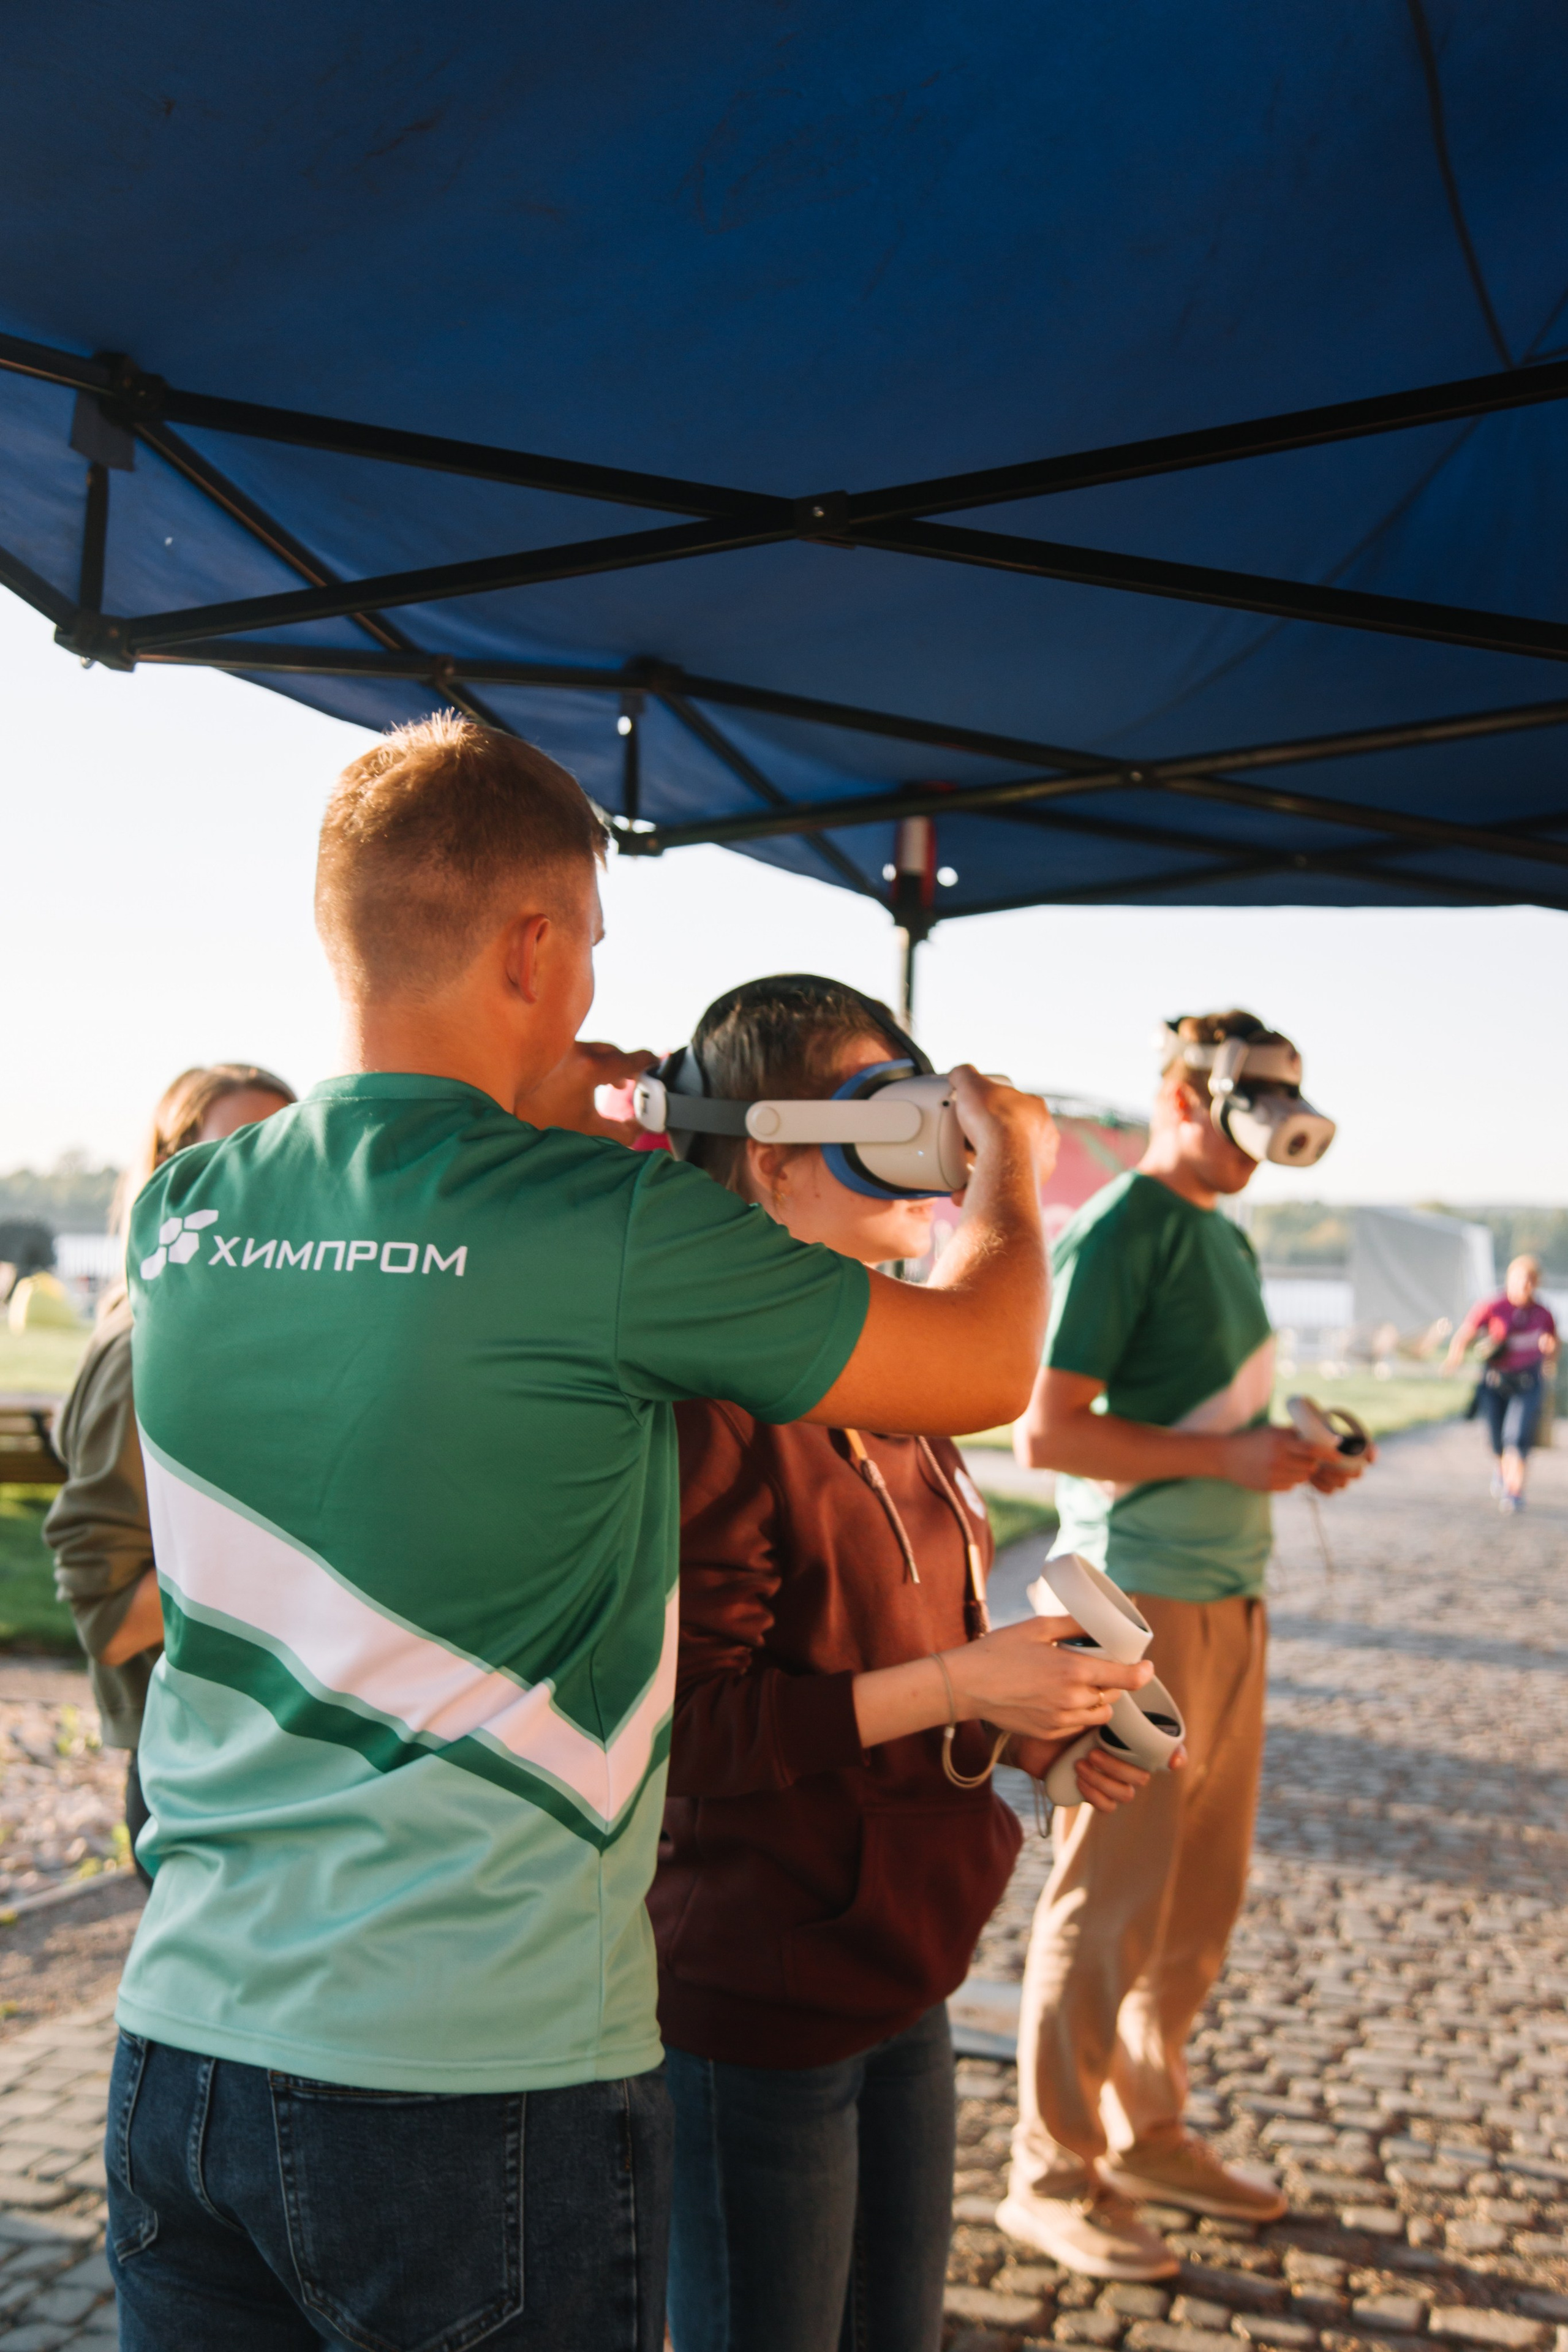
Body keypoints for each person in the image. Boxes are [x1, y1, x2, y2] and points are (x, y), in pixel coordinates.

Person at [105, 713, 1058, 2352]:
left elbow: (414, 1269)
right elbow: (982, 1367)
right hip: (472, 2078)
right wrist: (1019, 1181)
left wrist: (538, 1105)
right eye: (592, 945)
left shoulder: (185, 1211)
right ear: (537, 944)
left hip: (183, 2040)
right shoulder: (608, 1227)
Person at [644, 976, 1167, 2352]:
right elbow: (691, 1735)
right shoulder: (714, 1397)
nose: (937, 1159)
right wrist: (962, 1690)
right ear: (771, 1158)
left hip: (898, 1959)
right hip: (759, 1988)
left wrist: (1024, 1719)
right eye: (892, 1120)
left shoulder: (888, 1360)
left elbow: (908, 1641)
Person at [998, 1011, 1369, 2282]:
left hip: (1231, 1600)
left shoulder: (1221, 1234)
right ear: (1180, 1093)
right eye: (1249, 1100)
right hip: (1139, 1611)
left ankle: (1144, 2132)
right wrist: (1222, 1458)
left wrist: (1288, 1458)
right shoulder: (1123, 1227)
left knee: (1189, 1909)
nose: (1267, 1131)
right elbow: (1041, 1437)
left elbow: (1208, 1419)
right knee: (1104, 1905)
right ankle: (1047, 2177)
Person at [43, 1065, 295, 1883]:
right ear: (171, 1176)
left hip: (271, 1761)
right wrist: (304, 1546)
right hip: (195, 1774)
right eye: (238, 1154)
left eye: (290, 1156)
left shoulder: (250, 1335)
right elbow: (110, 1619)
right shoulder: (143, 1345)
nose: (271, 1182)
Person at [1444, 1254, 1558, 1513]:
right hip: (1496, 1381)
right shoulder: (1493, 1305)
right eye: (1521, 1281)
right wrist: (1455, 1358)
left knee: (1517, 1437)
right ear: (1509, 1280)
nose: (1525, 1287)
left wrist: (1550, 1357)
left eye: (1531, 1282)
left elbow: (1553, 1338)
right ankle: (1501, 1468)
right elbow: (1466, 1332)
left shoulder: (1543, 1312)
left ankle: (1514, 1491)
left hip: (1528, 1381)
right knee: (1497, 1440)